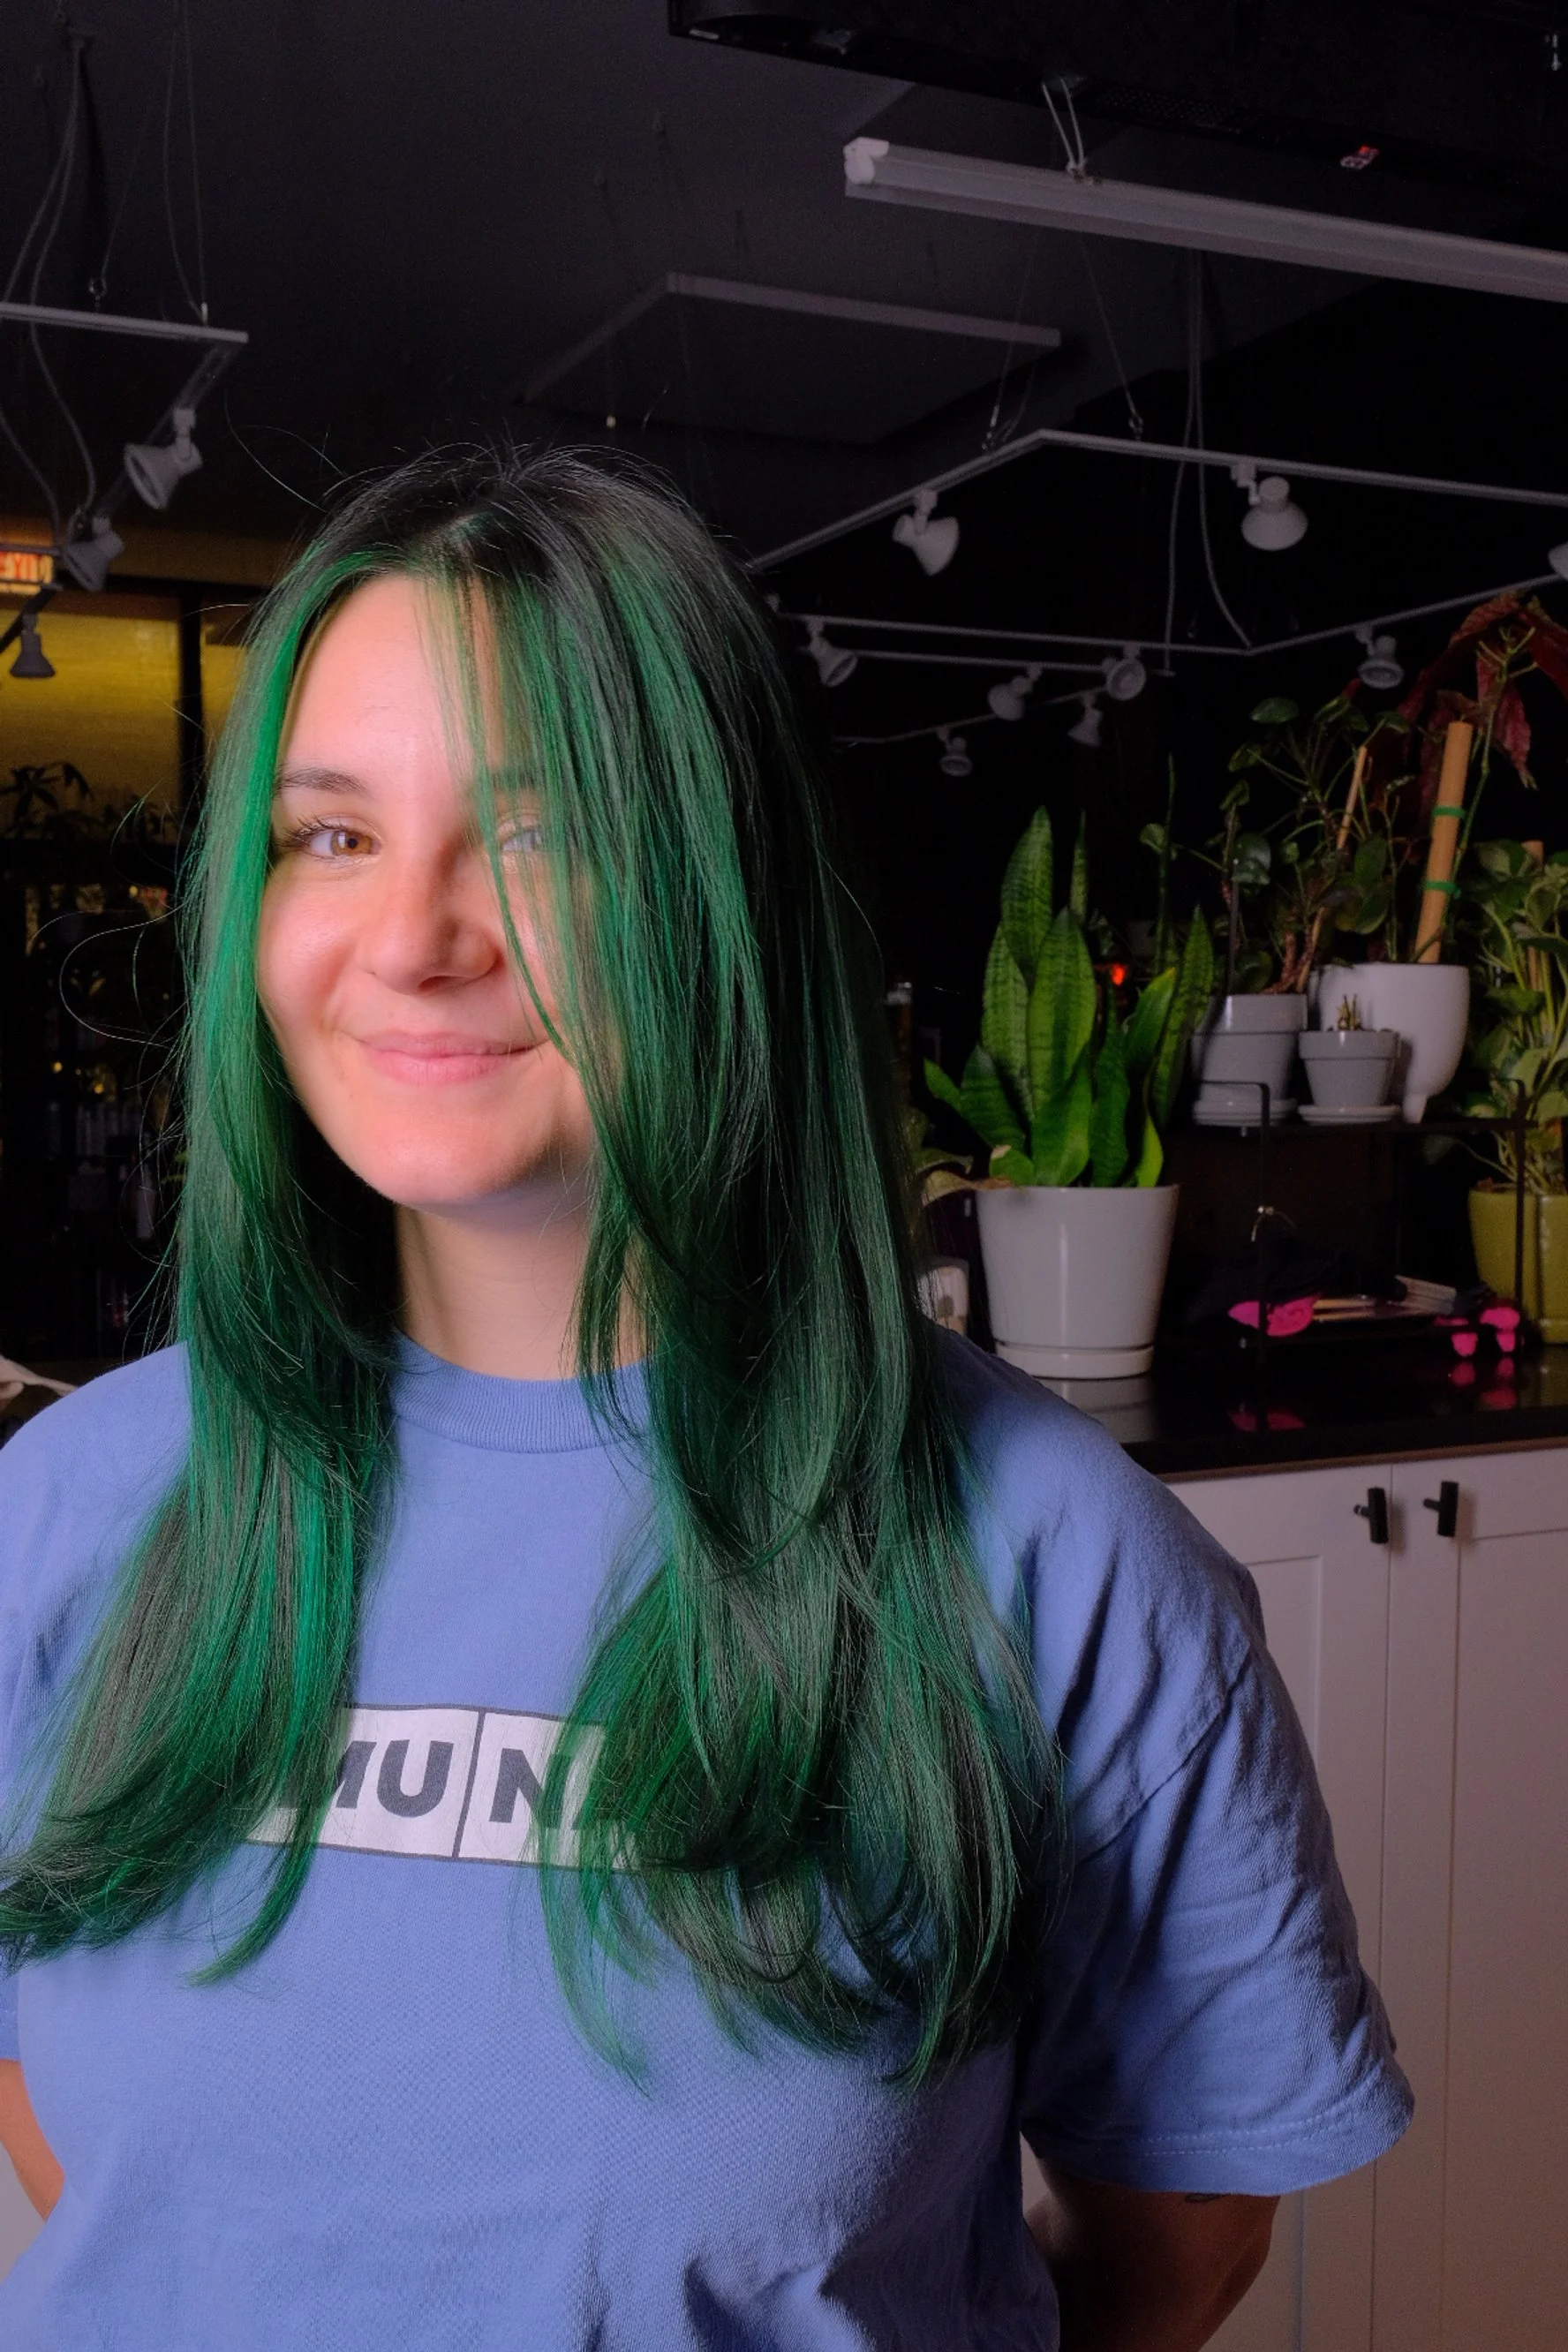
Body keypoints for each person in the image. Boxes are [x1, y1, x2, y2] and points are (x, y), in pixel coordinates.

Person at [0, 450, 1410, 2350]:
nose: (415, 934)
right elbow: (91, 2143)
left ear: (719, 887)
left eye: (539, 830)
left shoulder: (1060, 1561)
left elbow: (1177, 2243)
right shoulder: (73, 1506)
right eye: (332, 836)